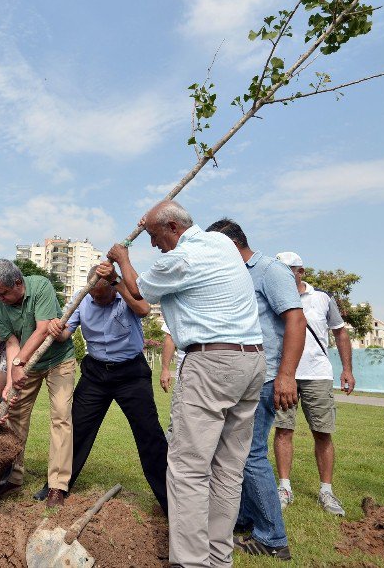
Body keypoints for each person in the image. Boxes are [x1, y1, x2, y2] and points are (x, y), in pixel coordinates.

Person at [112, 201, 264, 567]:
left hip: (212, 363)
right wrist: (151, 221)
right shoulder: (222, 244)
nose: (153, 245)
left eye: (154, 236)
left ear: (173, 229)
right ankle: (217, 558)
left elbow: (140, 292)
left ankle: (190, 562)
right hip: (251, 360)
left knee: (188, 467)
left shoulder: (181, 259)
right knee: (228, 468)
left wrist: (122, 257)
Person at [35, 260, 169, 514]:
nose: (98, 301)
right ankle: (57, 486)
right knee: (77, 429)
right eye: (94, 296)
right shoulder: (82, 298)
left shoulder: (124, 294)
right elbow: (65, 334)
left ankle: (169, 500)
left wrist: (119, 285)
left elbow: (142, 309)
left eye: (103, 296)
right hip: (96, 373)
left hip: (131, 373)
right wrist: (57, 328)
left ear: (113, 289)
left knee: (150, 434)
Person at [206, 219, 305, 562]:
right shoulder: (236, 273)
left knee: (251, 455)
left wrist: (287, 375)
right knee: (236, 452)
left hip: (266, 377)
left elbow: (295, 320)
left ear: (230, 245)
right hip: (242, 376)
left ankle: (273, 537)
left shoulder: (269, 271)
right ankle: (246, 518)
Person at [0, 258, 76, 507]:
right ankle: (13, 477)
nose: (0, 298)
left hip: (59, 360)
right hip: (29, 365)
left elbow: (43, 329)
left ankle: (57, 486)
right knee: (15, 416)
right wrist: (14, 373)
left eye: (3, 293)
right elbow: (12, 343)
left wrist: (18, 364)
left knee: (60, 416)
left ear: (18, 283)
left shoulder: (40, 287)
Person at [272, 251, 355, 516]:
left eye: (290, 271)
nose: (285, 276)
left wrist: (347, 370)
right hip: (285, 374)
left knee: (322, 431)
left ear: (301, 271)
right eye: (280, 271)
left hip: (317, 374)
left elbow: (340, 333)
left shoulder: (321, 298)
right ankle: (284, 487)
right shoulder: (272, 297)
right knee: (283, 430)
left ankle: (326, 491)